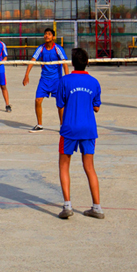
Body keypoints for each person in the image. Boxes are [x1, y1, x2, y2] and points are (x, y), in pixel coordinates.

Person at [55, 47, 104, 220]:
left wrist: (63, 122)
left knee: (63, 165)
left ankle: (67, 205)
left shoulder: (65, 81)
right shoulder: (94, 82)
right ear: (87, 62)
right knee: (89, 167)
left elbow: (60, 104)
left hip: (69, 128)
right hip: (89, 128)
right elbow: (96, 107)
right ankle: (97, 207)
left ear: (72, 63)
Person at [22, 28, 69, 132]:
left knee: (60, 104)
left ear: (53, 37)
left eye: (49, 34)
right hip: (44, 80)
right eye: (45, 34)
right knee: (37, 100)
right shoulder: (41, 48)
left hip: (57, 80)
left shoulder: (58, 48)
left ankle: (62, 126)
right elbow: (32, 61)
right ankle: (39, 125)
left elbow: (65, 64)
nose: (46, 36)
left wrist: (67, 79)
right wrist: (26, 75)